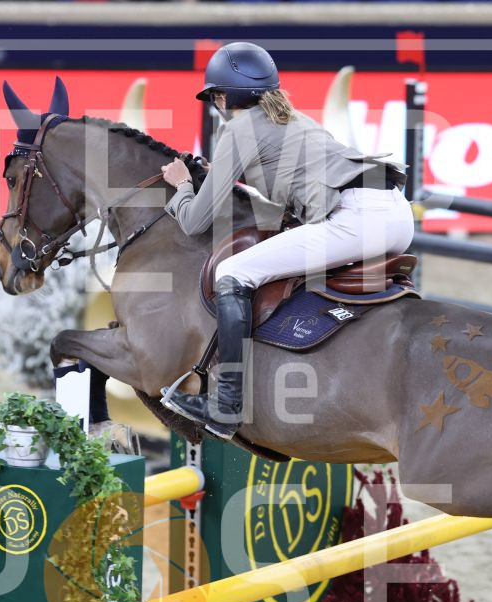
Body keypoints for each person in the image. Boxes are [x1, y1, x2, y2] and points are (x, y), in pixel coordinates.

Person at [159, 41, 415, 441]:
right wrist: (223, 178)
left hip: (357, 219)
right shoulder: (296, 119)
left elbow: (194, 222)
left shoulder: (237, 129)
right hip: (397, 213)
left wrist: (181, 187)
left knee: (232, 272)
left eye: (216, 96)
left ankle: (226, 406)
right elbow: (287, 203)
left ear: (225, 96)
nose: (217, 104)